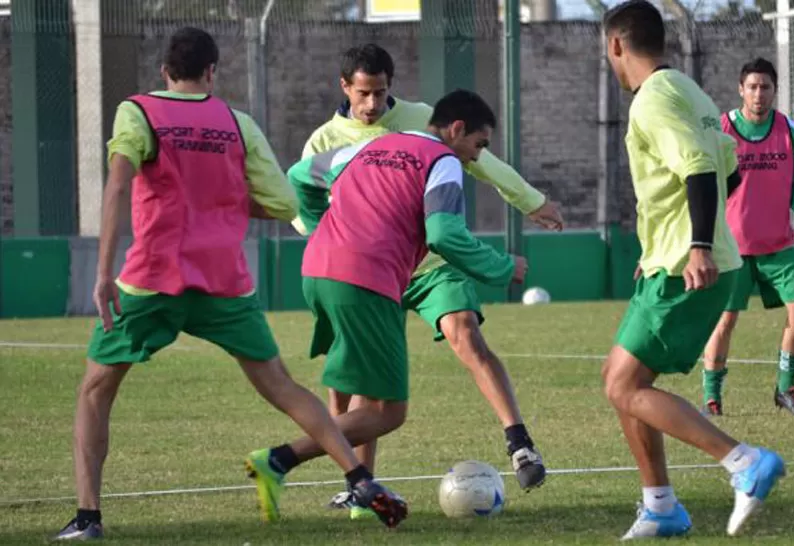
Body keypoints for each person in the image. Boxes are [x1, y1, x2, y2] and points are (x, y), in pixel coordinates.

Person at [53, 28, 410, 541]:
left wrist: (104, 271)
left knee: (95, 390)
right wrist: (226, 201)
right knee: (283, 387)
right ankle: (358, 477)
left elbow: (118, 181)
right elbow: (285, 204)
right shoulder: (235, 122)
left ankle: (87, 518)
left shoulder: (139, 112)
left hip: (151, 279)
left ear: (164, 72)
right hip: (224, 280)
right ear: (213, 73)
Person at [245, 89, 528, 523]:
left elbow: (300, 174)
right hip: (365, 278)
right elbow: (444, 236)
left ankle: (358, 486)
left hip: (318, 270)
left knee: (360, 393)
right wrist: (502, 267)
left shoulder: (370, 145)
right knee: (386, 411)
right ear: (456, 130)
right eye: (479, 145)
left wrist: (325, 226)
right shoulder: (443, 162)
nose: (476, 157)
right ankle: (280, 460)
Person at [295, 44, 555, 514]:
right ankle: (359, 481)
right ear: (344, 88)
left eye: (381, 92)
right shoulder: (324, 140)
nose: (373, 104)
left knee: (465, 333)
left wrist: (531, 201)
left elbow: (483, 161)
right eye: (363, 93)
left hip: (431, 263)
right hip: (368, 266)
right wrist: (322, 232)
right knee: (350, 380)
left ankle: (519, 443)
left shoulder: (423, 119)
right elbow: (301, 193)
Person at [599, 1, 786, 539]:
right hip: (674, 261)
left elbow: (703, 168)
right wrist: (671, 238)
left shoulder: (650, 103)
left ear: (617, 45)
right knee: (621, 380)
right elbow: (730, 163)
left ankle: (742, 462)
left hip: (689, 267)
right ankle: (660, 506)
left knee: (624, 385)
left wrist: (697, 244)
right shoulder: (689, 90)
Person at [700, 58, 794, 417]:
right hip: (731, 248)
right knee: (725, 320)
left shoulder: (789, 131)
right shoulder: (721, 130)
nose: (758, 93)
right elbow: (702, 182)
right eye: (752, 87)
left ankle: (786, 389)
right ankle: (711, 398)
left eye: (765, 87)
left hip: (778, 245)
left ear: (774, 90)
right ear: (741, 90)